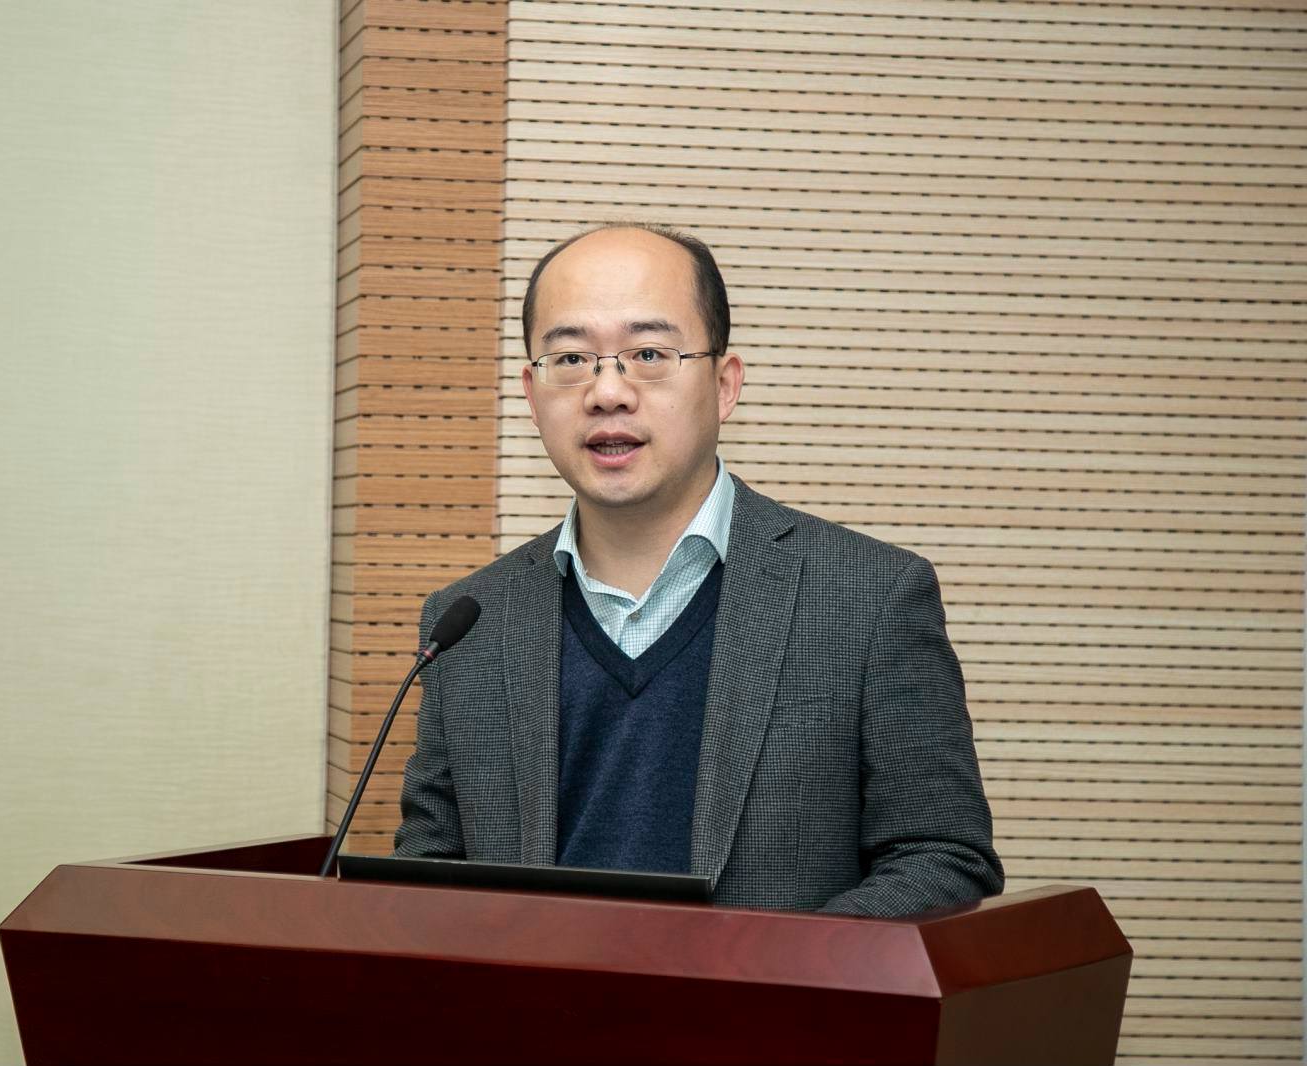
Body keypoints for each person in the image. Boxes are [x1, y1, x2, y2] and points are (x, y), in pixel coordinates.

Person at [392, 222, 1003, 916]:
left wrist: (772, 967)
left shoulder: (869, 597)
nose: (608, 392)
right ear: (532, 395)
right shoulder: (469, 623)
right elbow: (429, 872)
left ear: (724, 384)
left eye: (649, 353)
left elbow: (941, 857)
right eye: (571, 359)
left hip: (775, 989)